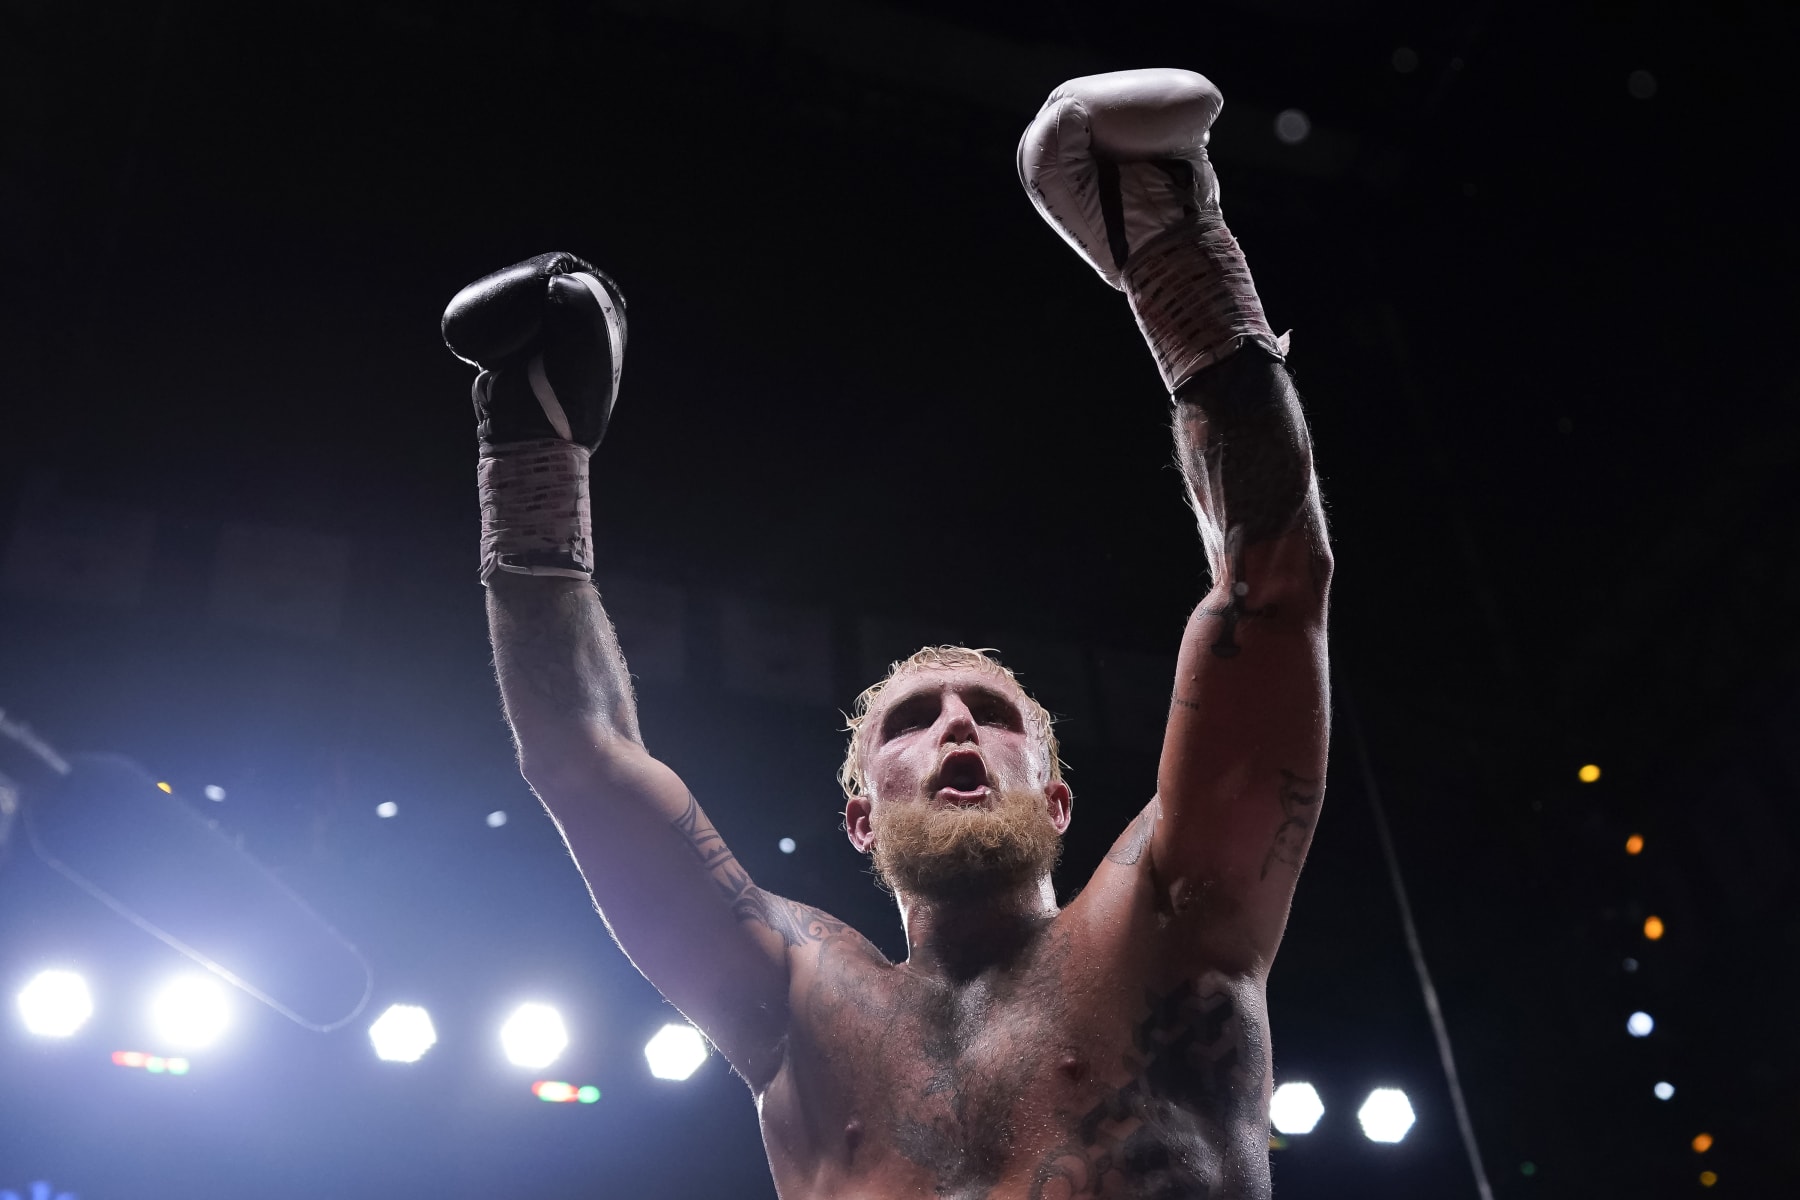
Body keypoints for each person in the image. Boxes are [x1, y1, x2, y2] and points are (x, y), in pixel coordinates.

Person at [443, 67, 1331, 1200]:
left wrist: (1172, 254)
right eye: (914, 720)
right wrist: (532, 452)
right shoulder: (801, 1006)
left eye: (996, 717)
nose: (959, 725)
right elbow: (580, 755)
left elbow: (1271, 583)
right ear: (860, 814)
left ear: (1057, 801)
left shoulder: (1171, 922)